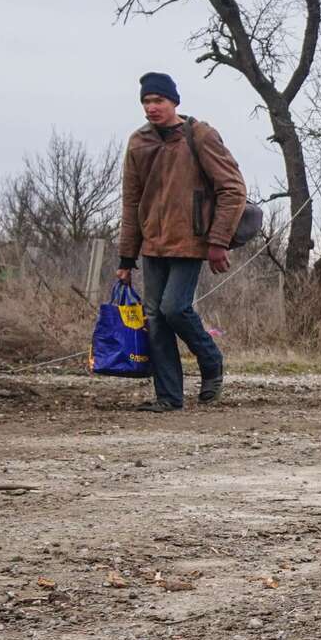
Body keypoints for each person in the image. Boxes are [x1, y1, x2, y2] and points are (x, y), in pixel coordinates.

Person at [115, 72, 247, 411]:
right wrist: (126, 259)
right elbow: (131, 202)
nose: (151, 108)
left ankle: (211, 359)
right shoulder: (138, 143)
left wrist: (218, 242)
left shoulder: (199, 135)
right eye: (146, 101)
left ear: (174, 101)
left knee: (174, 308)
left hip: (191, 240)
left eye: (157, 100)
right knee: (155, 317)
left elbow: (233, 189)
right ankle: (169, 397)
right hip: (153, 244)